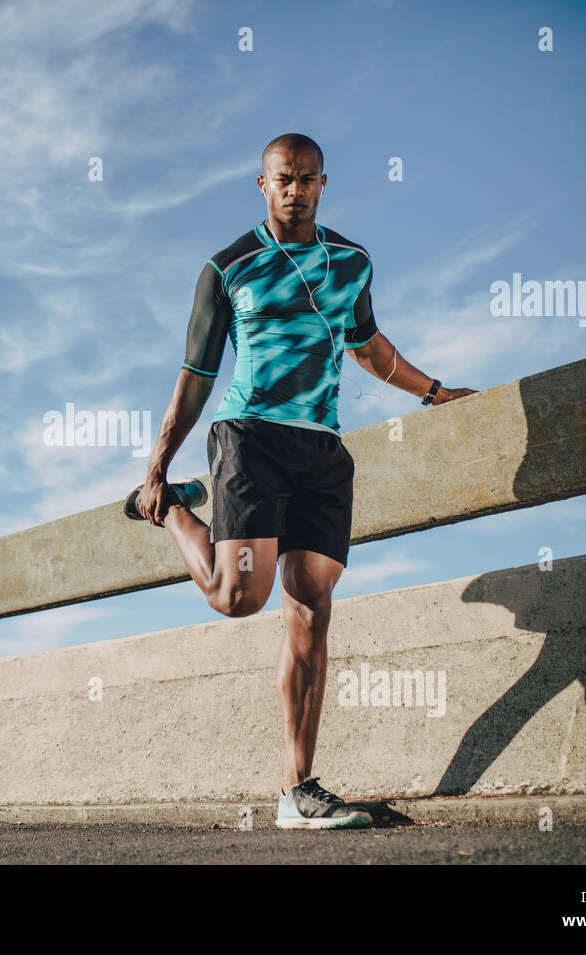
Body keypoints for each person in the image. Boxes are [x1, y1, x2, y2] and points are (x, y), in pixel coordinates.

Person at [125, 133, 477, 829]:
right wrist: (159, 469)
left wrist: (432, 391)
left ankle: (297, 790)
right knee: (238, 595)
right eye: (283, 179)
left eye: (307, 179)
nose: (295, 189)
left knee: (310, 608)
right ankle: (181, 513)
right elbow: (195, 376)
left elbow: (369, 346)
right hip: (249, 440)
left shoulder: (352, 262)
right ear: (263, 185)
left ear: (323, 184)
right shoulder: (228, 268)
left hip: (321, 453)